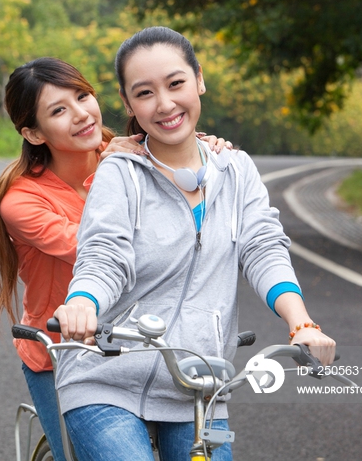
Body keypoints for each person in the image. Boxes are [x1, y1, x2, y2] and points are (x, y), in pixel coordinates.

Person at [52, 27, 337, 461]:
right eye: (144, 93)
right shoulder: (120, 173)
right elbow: (105, 255)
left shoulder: (236, 169)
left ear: (199, 80)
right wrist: (83, 303)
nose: (165, 104)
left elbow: (262, 248)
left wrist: (302, 324)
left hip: (199, 385)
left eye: (176, 83)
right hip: (105, 378)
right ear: (128, 104)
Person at [0, 56, 231, 461]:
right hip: (65, 351)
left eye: (83, 96)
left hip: (153, 343)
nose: (82, 115)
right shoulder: (22, 202)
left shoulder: (140, 153)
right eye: (59, 110)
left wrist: (201, 151)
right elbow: (107, 250)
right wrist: (113, 167)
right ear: (32, 133)